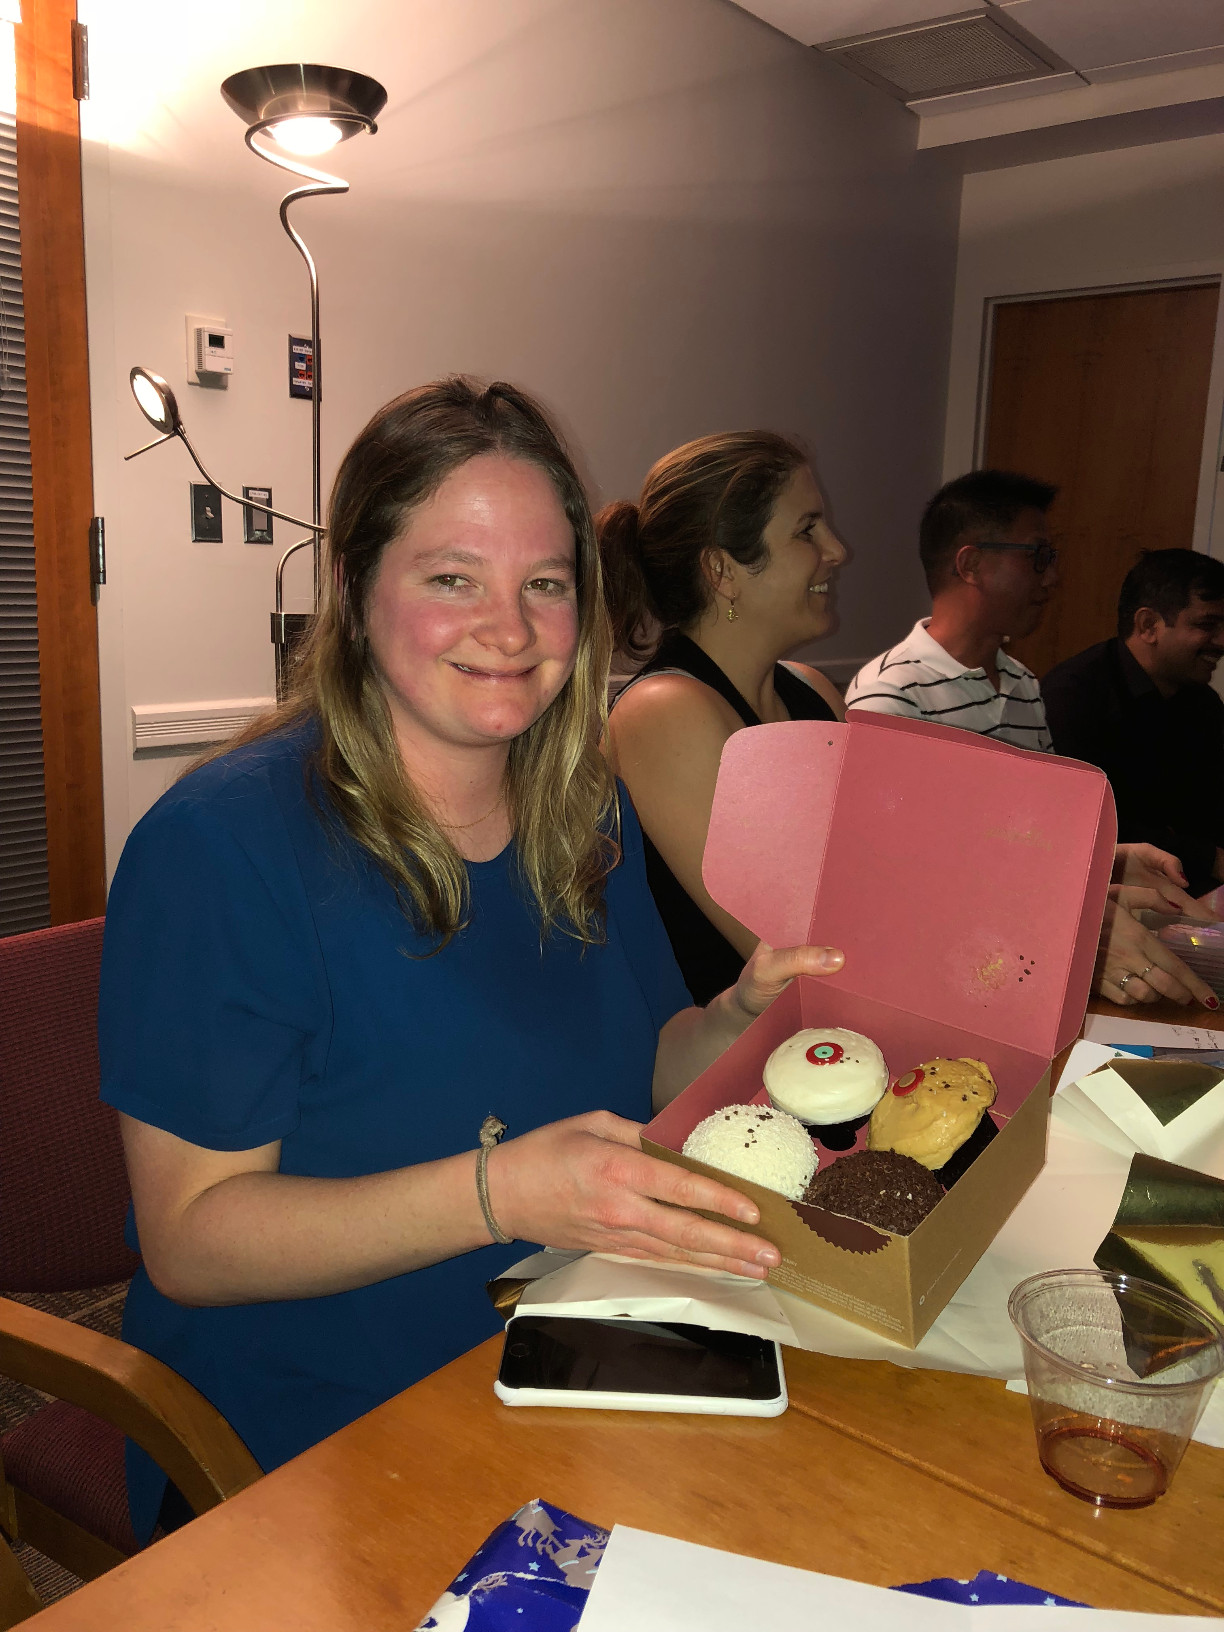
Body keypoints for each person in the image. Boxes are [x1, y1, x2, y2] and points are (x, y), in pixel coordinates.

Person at [99, 381, 844, 1540]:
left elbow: (648, 1062)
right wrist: (501, 1193)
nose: (511, 629)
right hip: (316, 1432)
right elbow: (190, 1241)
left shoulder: (583, 809)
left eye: (545, 583)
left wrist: (740, 1017)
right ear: (355, 589)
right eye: (453, 578)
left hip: (572, 1337)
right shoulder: (223, 845)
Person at [598, 431, 847, 1004]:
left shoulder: (813, 691)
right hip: (726, 1048)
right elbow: (791, 958)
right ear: (722, 569)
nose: (835, 550)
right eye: (807, 530)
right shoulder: (663, 713)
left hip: (822, 1035)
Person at [1043, 549, 1224, 899]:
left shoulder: (1202, 703)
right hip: (1098, 898)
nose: (1221, 641)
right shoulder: (1073, 696)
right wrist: (1207, 857)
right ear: (1148, 626)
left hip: (1185, 895)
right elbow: (1083, 825)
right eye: (1206, 625)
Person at [845, 469, 1056, 748]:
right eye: (1036, 556)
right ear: (971, 565)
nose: (1051, 577)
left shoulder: (1023, 683)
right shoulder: (890, 695)